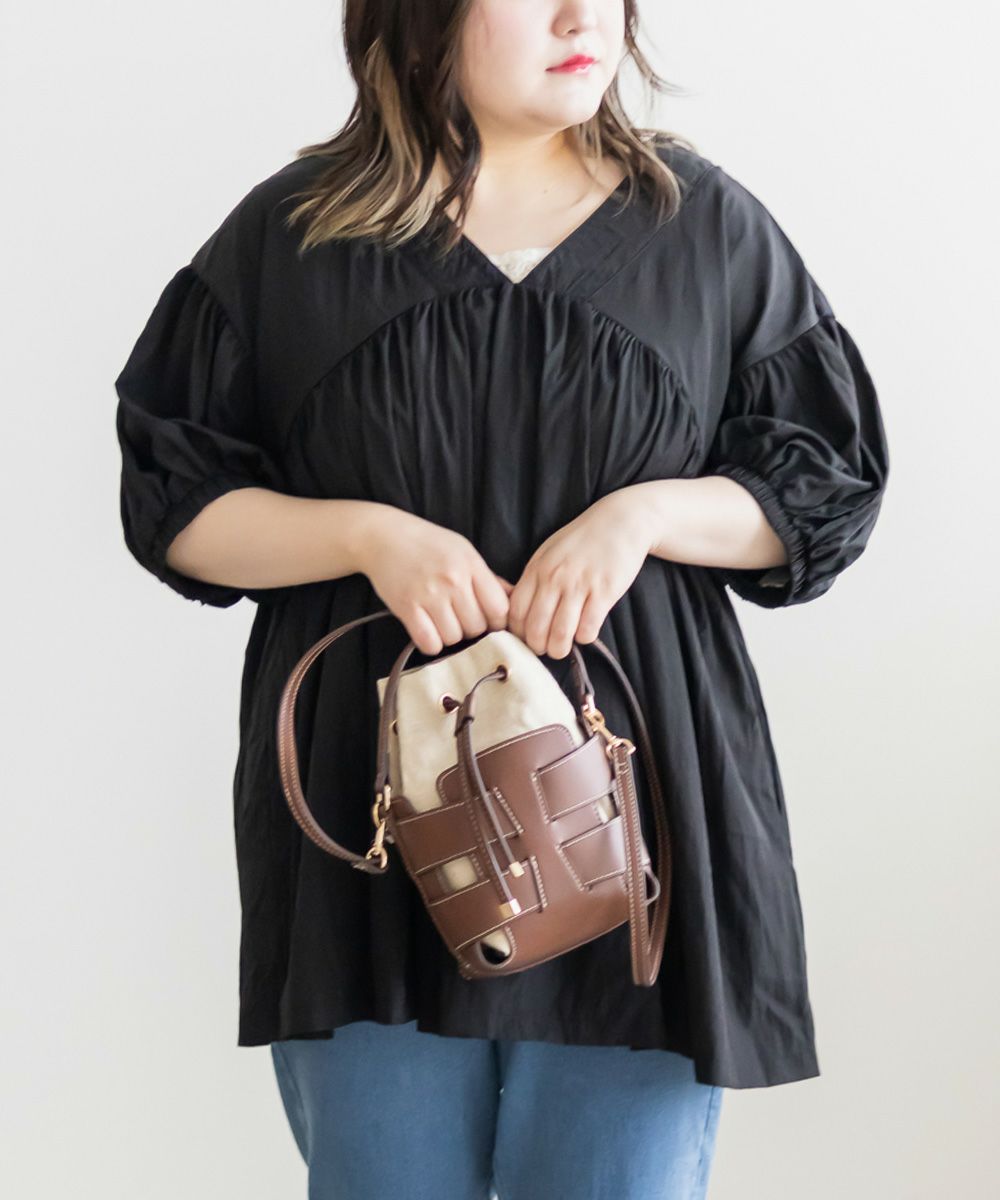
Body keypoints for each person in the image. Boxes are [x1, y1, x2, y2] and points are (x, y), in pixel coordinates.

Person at [113, 1, 890, 1196]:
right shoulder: (295, 235)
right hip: (377, 822)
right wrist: (365, 535)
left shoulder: (703, 227)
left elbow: (825, 489)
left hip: (634, 818)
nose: (584, 18)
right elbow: (175, 506)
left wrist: (642, 516)